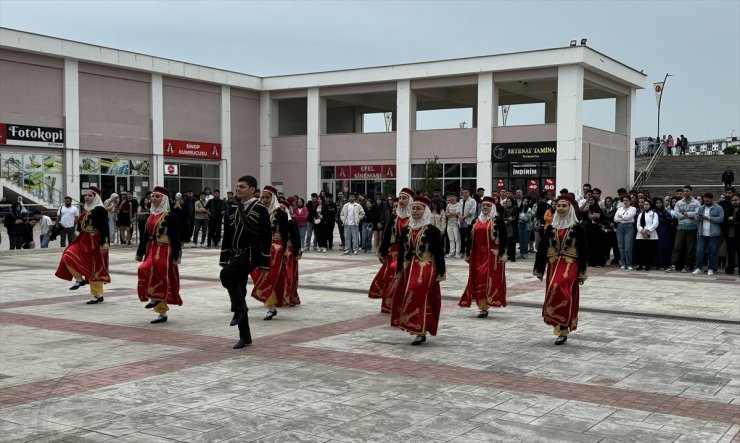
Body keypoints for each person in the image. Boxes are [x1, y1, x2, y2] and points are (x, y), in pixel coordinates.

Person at [219, 176, 272, 349]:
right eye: (237, 186)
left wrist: (264, 263)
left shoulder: (260, 209)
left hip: (251, 254)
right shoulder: (234, 208)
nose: (238, 189)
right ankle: (245, 336)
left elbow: (266, 238)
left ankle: (240, 309)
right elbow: (227, 234)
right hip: (236, 254)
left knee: (226, 275)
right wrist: (224, 257)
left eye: (242, 186)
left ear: (252, 190)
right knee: (239, 291)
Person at [391, 195, 445, 345]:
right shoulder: (407, 229)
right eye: (413, 208)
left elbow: (439, 252)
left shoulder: (433, 230)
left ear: (425, 211)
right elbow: (402, 251)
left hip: (426, 265)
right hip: (409, 266)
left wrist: (441, 271)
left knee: (417, 292)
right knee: (408, 294)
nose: (414, 211)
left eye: (418, 208)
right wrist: (399, 269)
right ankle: (418, 330)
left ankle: (420, 328)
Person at [533, 195, 587, 345]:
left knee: (560, 287)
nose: (561, 209)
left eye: (565, 206)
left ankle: (564, 324)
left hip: (570, 264)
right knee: (553, 290)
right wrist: (539, 268)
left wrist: (583, 271)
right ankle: (561, 329)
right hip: (553, 264)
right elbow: (542, 248)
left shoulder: (577, 228)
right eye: (559, 206)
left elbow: (583, 250)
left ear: (570, 209)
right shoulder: (551, 227)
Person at [55, 186, 110, 304]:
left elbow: (105, 228)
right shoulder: (86, 209)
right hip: (83, 239)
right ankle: (79, 279)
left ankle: (97, 295)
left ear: (96, 197)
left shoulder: (100, 210)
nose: (87, 197)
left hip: (95, 242)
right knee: (68, 255)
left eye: (90, 195)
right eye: (86, 195)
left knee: (95, 267)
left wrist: (104, 245)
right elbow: (81, 226)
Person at [135, 186, 182, 324]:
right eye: (152, 197)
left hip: (164, 250)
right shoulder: (150, 216)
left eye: (157, 196)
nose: (153, 199)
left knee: (159, 274)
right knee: (145, 270)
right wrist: (140, 252)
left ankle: (155, 300)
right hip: (151, 249)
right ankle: (162, 313)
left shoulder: (170, 216)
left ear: (164, 199)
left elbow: (175, 237)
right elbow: (144, 237)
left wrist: (176, 255)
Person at [459, 196, 507, 318]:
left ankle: (488, 302)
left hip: (492, 254)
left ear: (493, 207)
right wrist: (467, 253)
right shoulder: (476, 221)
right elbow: (469, 239)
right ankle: (482, 307)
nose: (485, 207)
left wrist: (502, 253)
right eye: (484, 205)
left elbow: (504, 238)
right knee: (477, 278)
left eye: (488, 205)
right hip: (477, 254)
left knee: (485, 276)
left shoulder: (497, 221)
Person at [369, 187, 415, 313]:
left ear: (410, 201)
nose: (401, 201)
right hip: (393, 252)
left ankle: (404, 305)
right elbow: (387, 236)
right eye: (400, 198)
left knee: (406, 278)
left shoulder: (414, 219)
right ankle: (389, 305)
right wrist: (382, 252)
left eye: (404, 198)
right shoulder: (395, 218)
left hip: (408, 254)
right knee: (391, 275)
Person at [250, 185, 289, 320]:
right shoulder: (260, 212)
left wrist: (285, 252)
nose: (265, 200)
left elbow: (285, 234)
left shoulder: (281, 213)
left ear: (273, 198)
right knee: (256, 272)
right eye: (263, 197)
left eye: (268, 197)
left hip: (276, 249)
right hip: (262, 247)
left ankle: (271, 307)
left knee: (269, 276)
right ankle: (270, 304)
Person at [666, 185, 700, 273]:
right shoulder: (679, 202)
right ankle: (673, 265)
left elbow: (697, 213)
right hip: (681, 227)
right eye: (684, 191)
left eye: (687, 191)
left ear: (691, 192)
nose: (685, 193)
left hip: (692, 228)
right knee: (677, 246)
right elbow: (676, 214)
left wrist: (686, 214)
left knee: (690, 247)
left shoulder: (696, 203)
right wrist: (689, 215)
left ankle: (688, 265)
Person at [276, 197, 302, 306]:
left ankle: (289, 297)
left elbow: (297, 237)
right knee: (279, 276)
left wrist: (298, 250)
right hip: (279, 252)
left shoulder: (291, 222)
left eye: (283, 208)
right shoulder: (275, 222)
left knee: (290, 275)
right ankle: (279, 298)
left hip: (290, 252)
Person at [692, 193, 724, 276]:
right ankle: (698, 268)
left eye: (708, 201)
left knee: (712, 252)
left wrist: (709, 218)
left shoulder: (718, 208)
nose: (706, 202)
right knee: (699, 251)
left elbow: (721, 219)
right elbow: (695, 216)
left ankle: (711, 268)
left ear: (712, 199)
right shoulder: (701, 207)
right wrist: (698, 217)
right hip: (701, 233)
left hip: (713, 234)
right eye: (705, 201)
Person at [633, 199, 659, 271]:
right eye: (644, 204)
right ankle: (640, 264)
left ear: (650, 205)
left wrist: (647, 230)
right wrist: (642, 231)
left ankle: (648, 265)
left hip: (650, 234)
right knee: (640, 250)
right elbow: (638, 224)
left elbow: (655, 224)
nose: (646, 206)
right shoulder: (640, 214)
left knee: (649, 251)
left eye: (647, 204)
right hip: (641, 235)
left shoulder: (654, 214)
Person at [614, 196, 636, 270]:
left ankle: (629, 263)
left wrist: (621, 217)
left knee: (628, 247)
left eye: (627, 200)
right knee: (621, 247)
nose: (625, 202)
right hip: (620, 227)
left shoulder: (633, 208)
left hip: (629, 227)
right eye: (624, 200)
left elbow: (629, 217)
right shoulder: (620, 209)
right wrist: (623, 217)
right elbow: (615, 219)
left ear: (630, 201)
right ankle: (623, 263)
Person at [458, 187, 477, 260]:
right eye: (463, 193)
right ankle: (462, 252)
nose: (464, 194)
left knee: (469, 238)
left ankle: (468, 253)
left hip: (469, 222)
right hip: (461, 222)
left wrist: (464, 217)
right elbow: (458, 210)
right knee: (462, 238)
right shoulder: (460, 201)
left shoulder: (472, 201)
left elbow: (472, 211)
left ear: (469, 193)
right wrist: (460, 217)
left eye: (466, 192)